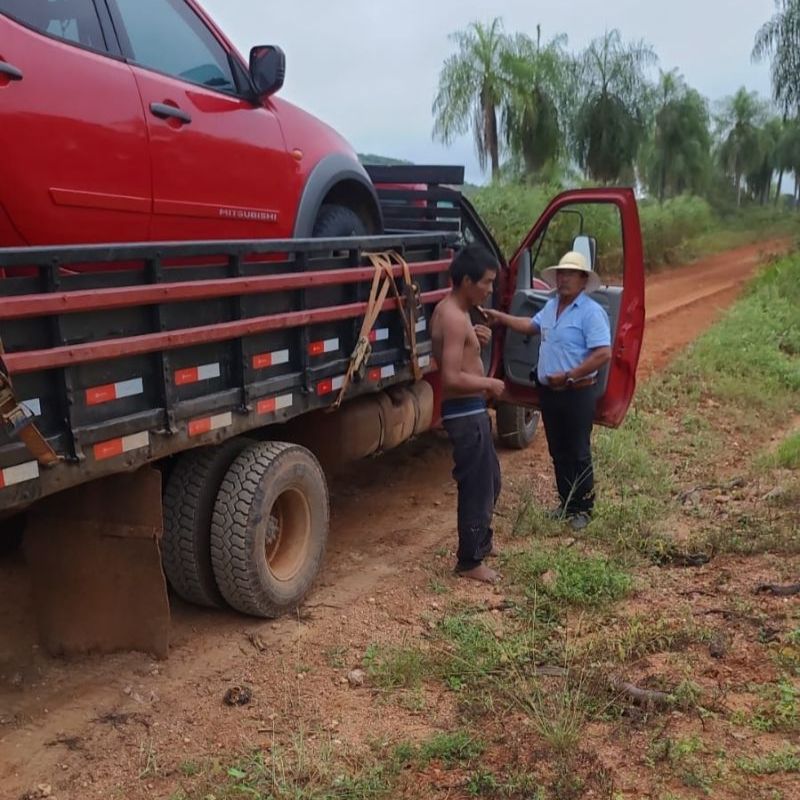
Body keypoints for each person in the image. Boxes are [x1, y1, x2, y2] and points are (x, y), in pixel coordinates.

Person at [484, 251, 611, 532]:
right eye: (561, 274)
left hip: (576, 391)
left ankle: (583, 509)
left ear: (583, 280)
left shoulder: (591, 312)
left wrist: (569, 375)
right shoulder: (553, 306)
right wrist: (501, 318)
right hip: (550, 391)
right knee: (558, 450)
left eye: (571, 274)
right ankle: (566, 504)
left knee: (578, 451)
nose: (564, 279)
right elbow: (530, 326)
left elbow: (603, 353)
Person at [431, 244, 506, 583]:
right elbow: (449, 377)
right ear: (466, 280)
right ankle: (470, 561)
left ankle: (483, 542)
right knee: (476, 486)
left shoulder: (461, 316)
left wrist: (475, 342)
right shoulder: (452, 316)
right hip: (464, 412)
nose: (490, 290)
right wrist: (489, 383)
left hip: (472, 409)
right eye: (486, 282)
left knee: (491, 479)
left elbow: (458, 356)